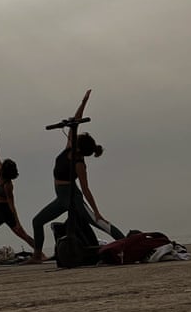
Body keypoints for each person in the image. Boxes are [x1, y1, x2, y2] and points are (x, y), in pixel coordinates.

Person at [29, 90, 126, 261]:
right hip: (61, 199)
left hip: (73, 198)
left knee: (100, 223)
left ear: (80, 148)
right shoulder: (70, 146)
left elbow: (86, 189)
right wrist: (83, 102)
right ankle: (37, 255)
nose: (76, 136)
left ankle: (126, 244)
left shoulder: (80, 164)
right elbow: (76, 122)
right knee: (37, 221)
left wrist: (97, 211)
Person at [0, 125, 36, 265]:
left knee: (22, 234)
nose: (0, 164)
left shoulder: (8, 185)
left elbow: (11, 204)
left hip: (6, 211)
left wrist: (17, 221)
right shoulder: (0, 172)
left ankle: (41, 253)